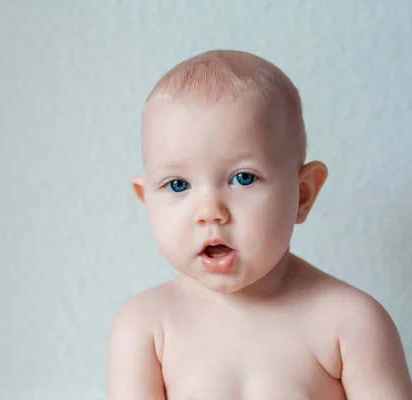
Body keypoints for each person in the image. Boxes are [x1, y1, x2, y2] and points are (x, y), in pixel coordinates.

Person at [106, 49, 412, 399]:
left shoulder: (351, 325)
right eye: (178, 184)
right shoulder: (145, 328)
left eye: (243, 178)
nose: (209, 211)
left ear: (303, 193)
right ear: (147, 201)